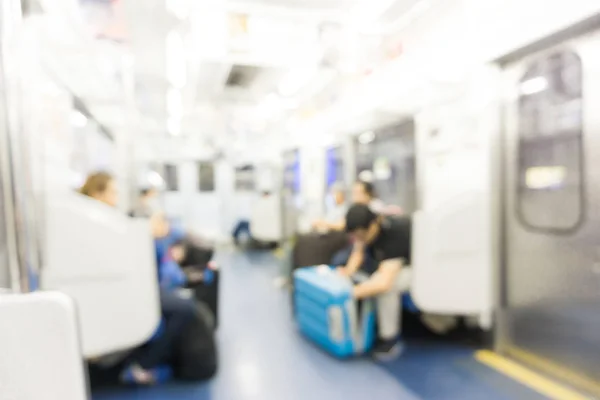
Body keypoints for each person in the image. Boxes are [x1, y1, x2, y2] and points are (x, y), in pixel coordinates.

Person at [80, 172, 195, 385]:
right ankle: (143, 365)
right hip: (112, 287)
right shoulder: (90, 223)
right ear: (97, 193)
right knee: (184, 308)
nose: (116, 198)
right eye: (112, 192)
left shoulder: (105, 218)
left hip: (122, 281)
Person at [339, 203, 412, 361]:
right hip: (394, 265)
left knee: (388, 286)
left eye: (361, 235)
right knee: (368, 279)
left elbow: (384, 282)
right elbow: (357, 253)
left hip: (419, 269)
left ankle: (389, 339)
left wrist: (348, 294)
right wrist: (345, 275)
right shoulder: (365, 230)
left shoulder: (395, 234)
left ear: (373, 226)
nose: (359, 239)